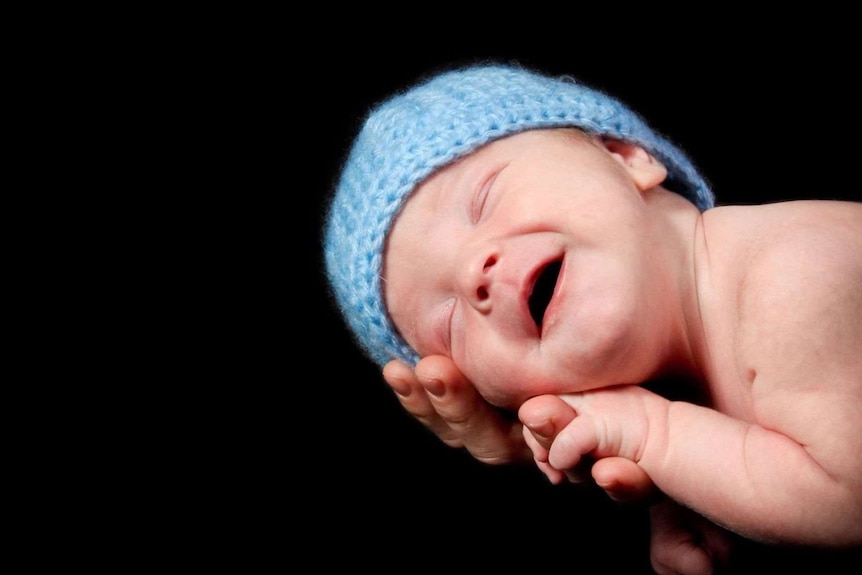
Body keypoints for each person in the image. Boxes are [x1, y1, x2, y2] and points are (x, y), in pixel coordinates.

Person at [322, 63, 862, 574]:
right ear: (492, 399)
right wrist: (690, 494)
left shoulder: (793, 276)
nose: (473, 273)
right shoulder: (699, 375)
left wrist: (655, 435)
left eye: (484, 200)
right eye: (448, 322)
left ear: (627, 158)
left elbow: (848, 501)